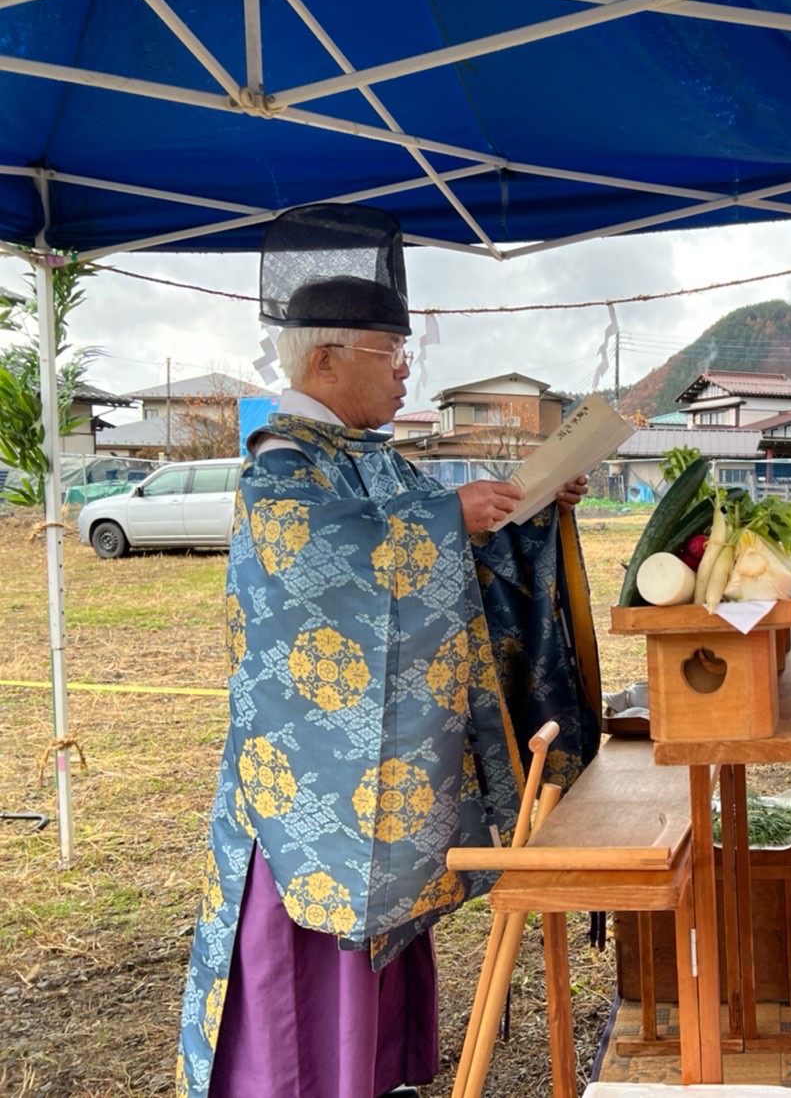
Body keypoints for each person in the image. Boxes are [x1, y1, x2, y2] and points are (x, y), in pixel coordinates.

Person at [176, 204, 602, 1097]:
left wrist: (525, 514)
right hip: (307, 802)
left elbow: (450, 545)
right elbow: (326, 560)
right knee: (299, 992)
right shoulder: (281, 468)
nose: (408, 372)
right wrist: (450, 520)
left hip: (380, 792)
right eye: (391, 353)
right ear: (325, 359)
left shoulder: (367, 458)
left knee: (374, 984)